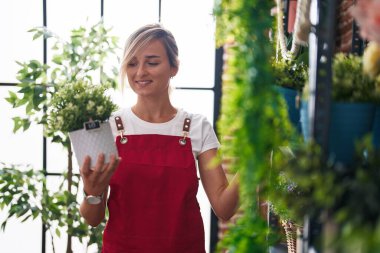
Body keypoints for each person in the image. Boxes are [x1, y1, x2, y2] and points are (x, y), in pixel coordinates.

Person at [79, 23, 239, 253]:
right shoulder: (108, 127)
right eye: (132, 63)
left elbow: (224, 208)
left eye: (152, 62)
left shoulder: (196, 126)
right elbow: (92, 218)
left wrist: (256, 162)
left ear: (174, 67)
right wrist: (92, 192)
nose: (140, 72)